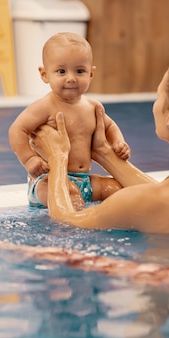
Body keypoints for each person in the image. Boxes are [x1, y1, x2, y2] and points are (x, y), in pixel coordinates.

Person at [30, 53, 169, 233]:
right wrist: (103, 153)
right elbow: (165, 194)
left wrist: (57, 157)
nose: (154, 105)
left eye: (159, 97)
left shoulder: (140, 202)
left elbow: (66, 221)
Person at [8, 32, 130, 209]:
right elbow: (17, 129)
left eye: (80, 71)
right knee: (69, 194)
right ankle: (71, 227)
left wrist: (119, 142)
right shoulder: (45, 106)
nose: (71, 78)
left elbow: (110, 126)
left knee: (117, 189)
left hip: (84, 180)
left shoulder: (92, 106)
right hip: (48, 181)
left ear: (91, 74)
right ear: (44, 74)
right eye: (61, 71)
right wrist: (28, 159)